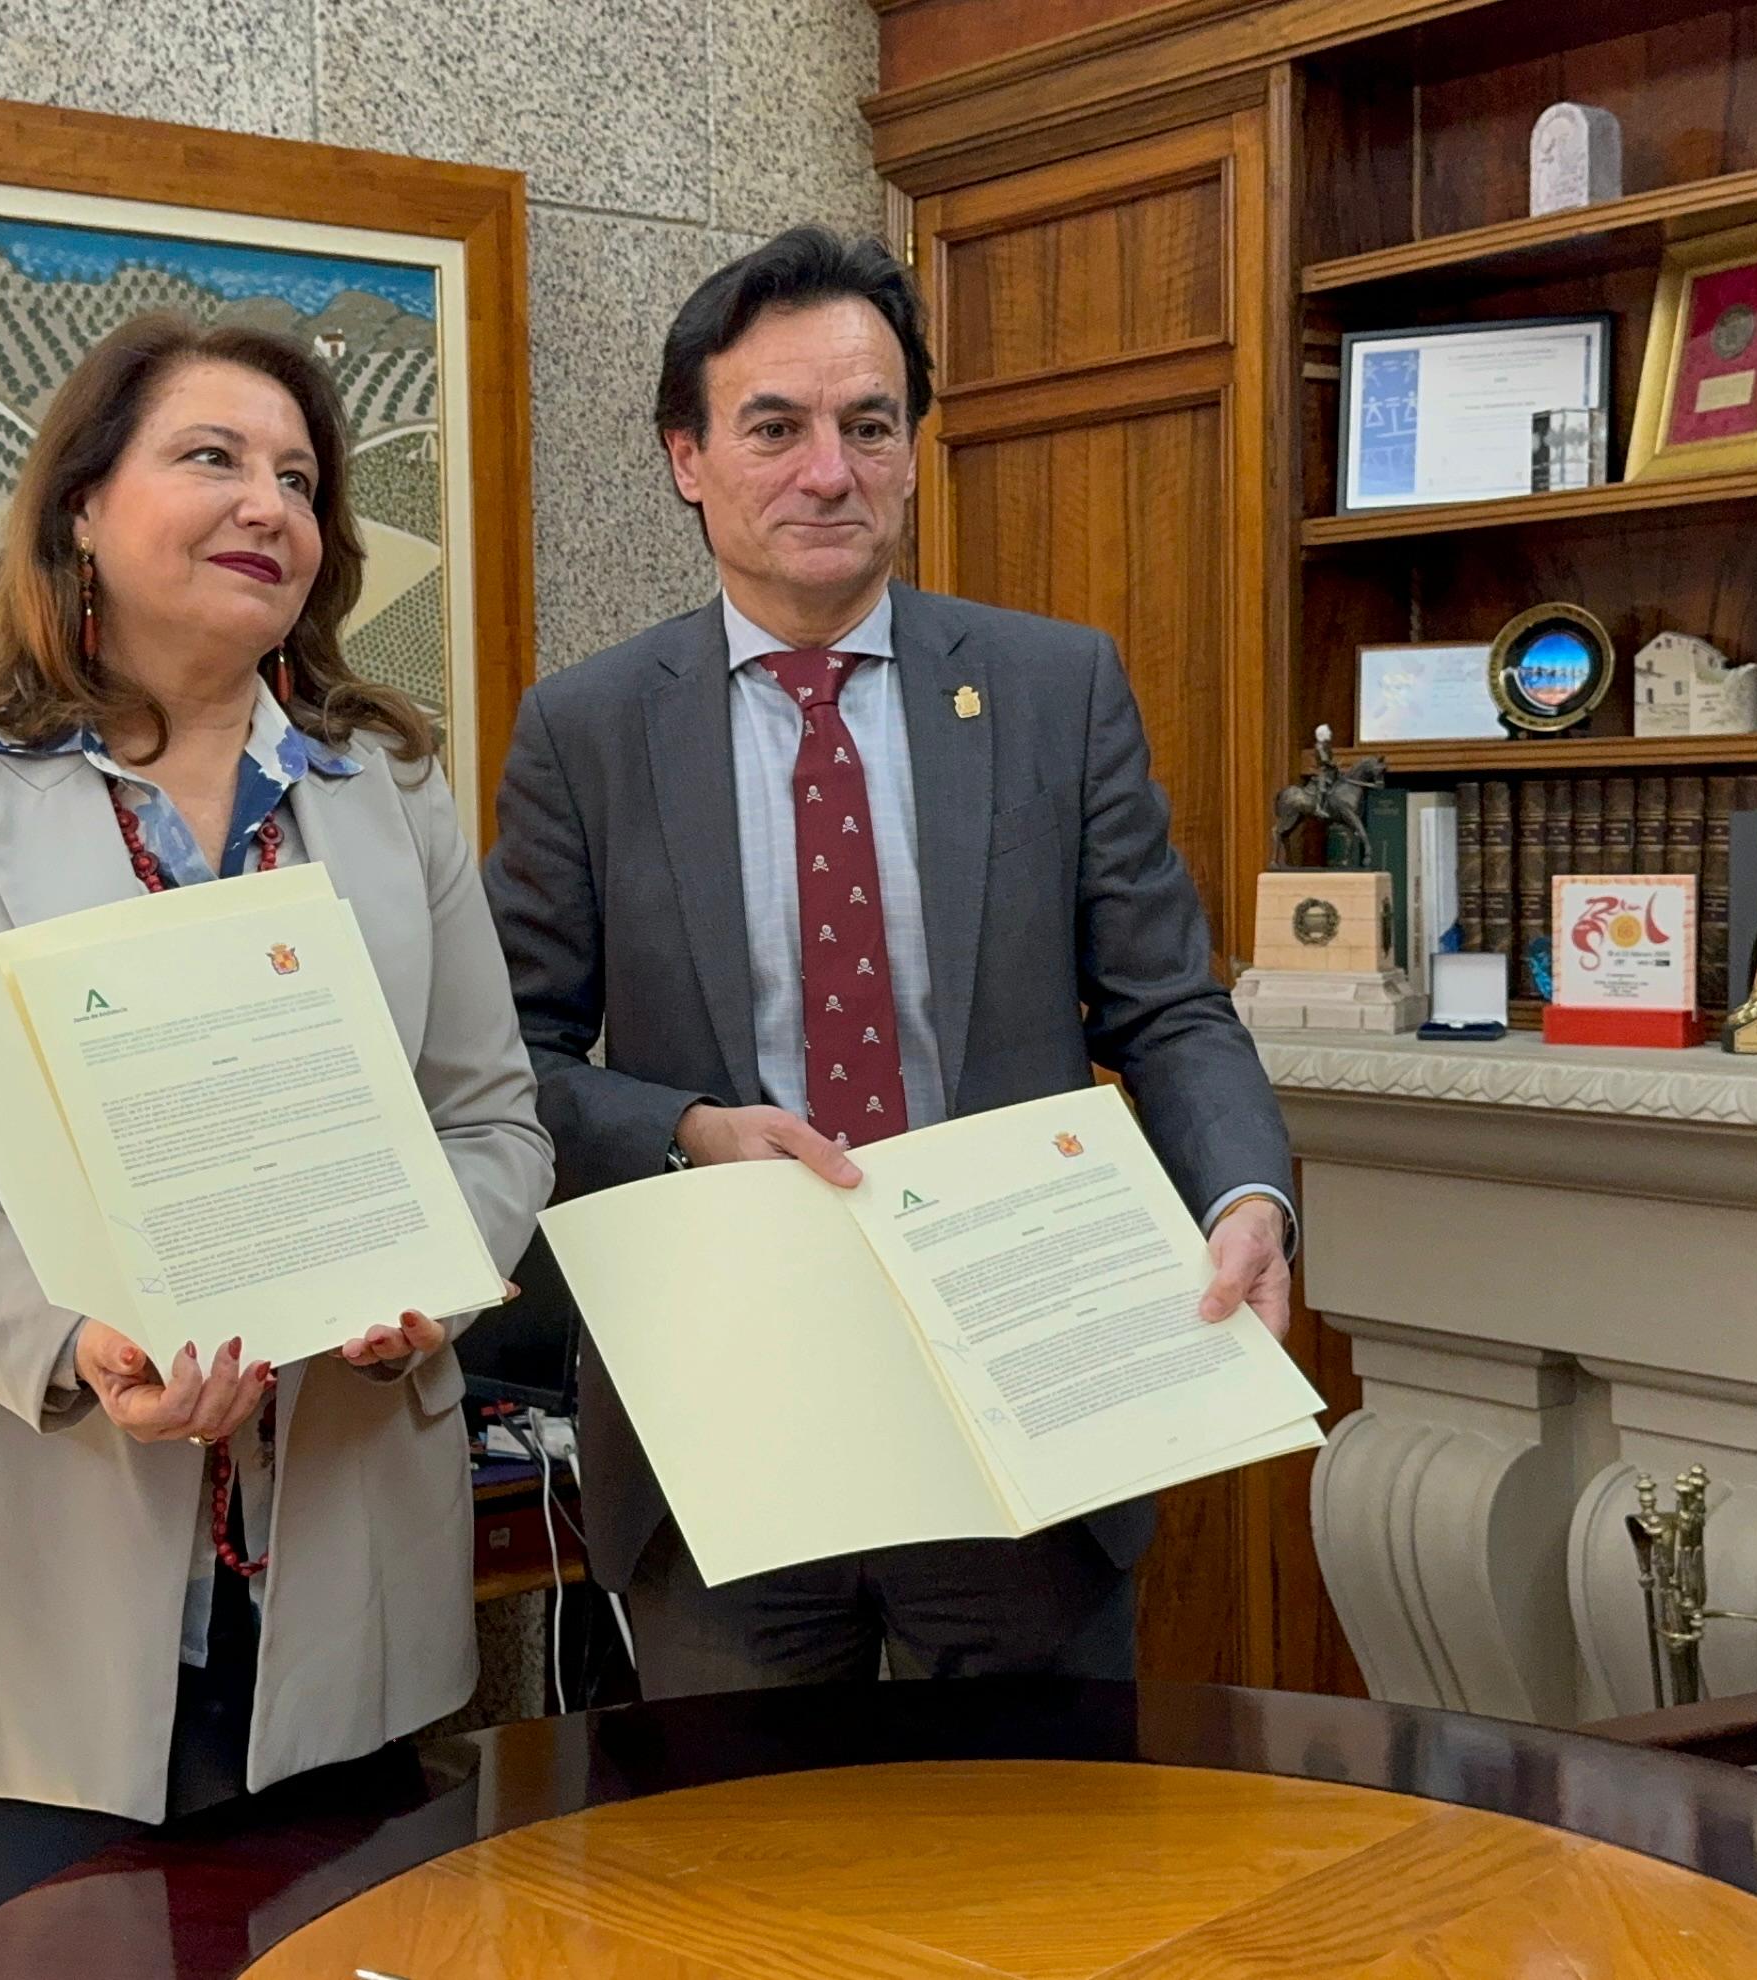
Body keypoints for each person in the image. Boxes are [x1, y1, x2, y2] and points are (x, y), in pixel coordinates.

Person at [0, 312, 550, 1960]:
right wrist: (65, 1331)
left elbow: (490, 1120)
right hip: (0, 1598)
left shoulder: (389, 790)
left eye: (303, 480)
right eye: (213, 458)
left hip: (338, 1594)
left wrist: (423, 1293)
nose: (270, 504)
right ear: (84, 507)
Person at [484, 226, 1297, 1699]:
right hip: (727, 1418)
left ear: (914, 451)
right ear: (688, 457)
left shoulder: (1057, 687)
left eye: (868, 427)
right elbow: (505, 1063)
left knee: (1031, 1879)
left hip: (1025, 1401)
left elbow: (1171, 1007)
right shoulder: (589, 729)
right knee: (763, 1892)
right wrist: (679, 1132)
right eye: (774, 428)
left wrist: (1247, 1196)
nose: (827, 471)